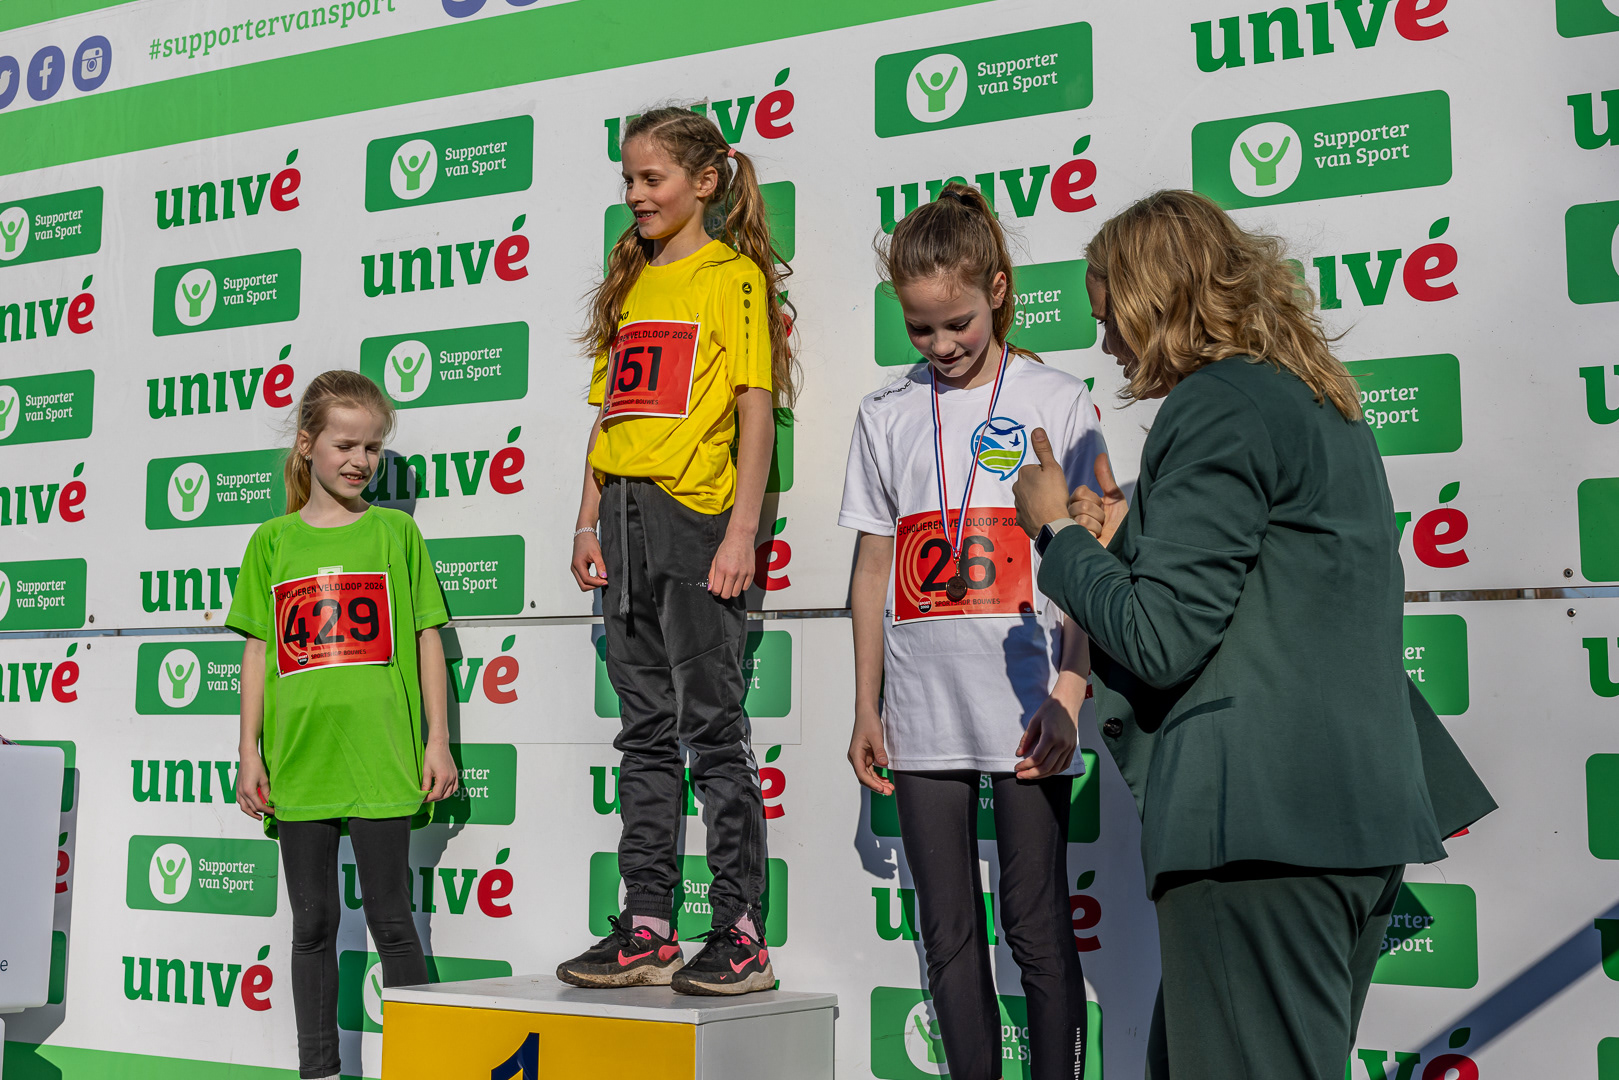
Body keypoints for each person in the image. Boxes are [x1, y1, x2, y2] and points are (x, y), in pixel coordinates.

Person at [1010, 190, 1496, 1080]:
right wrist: (1120, 546)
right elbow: (1266, 597)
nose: (1107, 344)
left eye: (1110, 317)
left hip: (1261, 828)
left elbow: (1160, 639)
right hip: (1339, 819)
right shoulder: (1316, 400)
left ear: (1155, 300)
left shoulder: (1217, 404)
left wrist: (1056, 534)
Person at [842, 183, 1101, 1080]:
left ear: (996, 290)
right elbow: (872, 569)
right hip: (920, 707)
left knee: (1034, 923)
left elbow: (1092, 559)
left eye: (956, 323)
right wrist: (866, 704)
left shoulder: (1058, 397)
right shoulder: (884, 412)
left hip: (1028, 706)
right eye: (920, 329)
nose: (941, 345)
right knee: (947, 931)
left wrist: (1068, 692)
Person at [559, 106, 796, 996]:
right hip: (621, 521)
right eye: (627, 179)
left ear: (703, 183)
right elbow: (609, 417)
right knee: (644, 737)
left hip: (695, 520)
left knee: (713, 733)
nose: (635, 194)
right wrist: (585, 521)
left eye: (651, 178)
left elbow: (754, 412)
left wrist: (741, 531)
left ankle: (739, 931)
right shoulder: (630, 280)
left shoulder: (732, 276)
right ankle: (648, 928)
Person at [229, 370, 458, 1080]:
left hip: (381, 757)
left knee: (393, 920)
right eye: (345, 445)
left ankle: (421, 1068)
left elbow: (426, 637)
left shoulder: (396, 532)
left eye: (373, 447)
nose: (360, 460)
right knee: (312, 926)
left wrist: (438, 740)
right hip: (299, 762)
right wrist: (249, 752)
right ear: (307, 444)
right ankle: (319, 1071)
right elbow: (258, 651)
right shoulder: (271, 541)